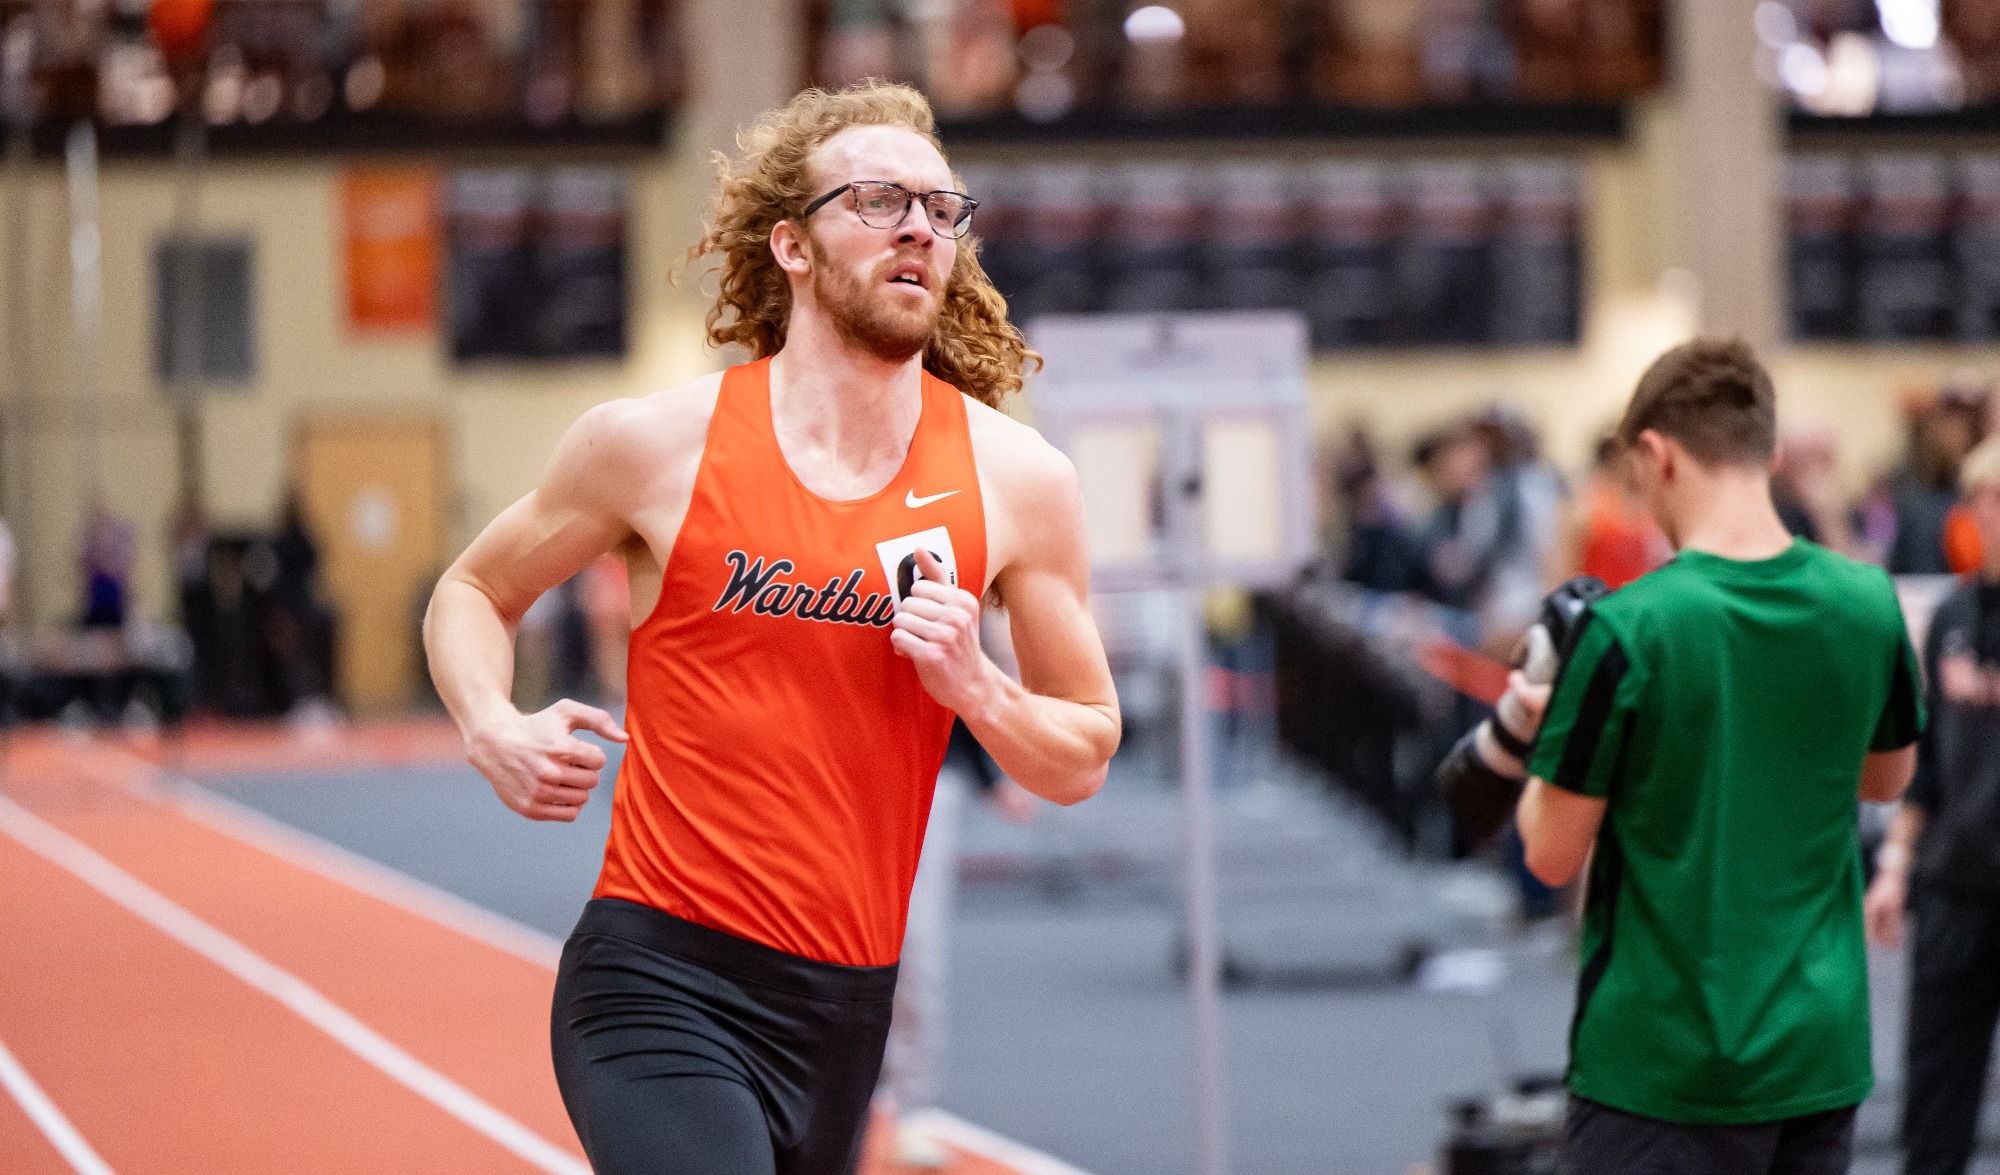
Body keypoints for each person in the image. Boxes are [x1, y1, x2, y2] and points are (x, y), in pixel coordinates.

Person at [423, 81, 1120, 1175]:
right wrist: (487, 722)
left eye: (942, 210)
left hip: (844, 1010)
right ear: (791, 246)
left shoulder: (1019, 480)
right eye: (880, 200)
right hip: (657, 974)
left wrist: (976, 688)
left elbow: (1082, 750)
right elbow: (472, 589)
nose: (917, 229)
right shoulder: (655, 448)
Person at [1514, 338, 1924, 1173]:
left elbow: (1551, 852)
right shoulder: (1867, 601)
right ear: (1769, 453)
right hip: (1817, 1049)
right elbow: (1886, 777)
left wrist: (1535, 734)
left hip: (1661, 1063)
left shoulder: (1628, 628)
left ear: (1657, 457)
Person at [1864, 434, 2000, 1175]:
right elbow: (1928, 767)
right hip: (1954, 886)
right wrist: (1894, 864)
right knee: (1936, 1103)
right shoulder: (1950, 618)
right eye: (1986, 499)